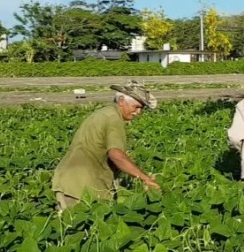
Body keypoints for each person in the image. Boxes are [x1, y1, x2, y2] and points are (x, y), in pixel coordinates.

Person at [51, 80, 161, 211]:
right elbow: (115, 154)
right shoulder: (113, 118)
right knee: (74, 225)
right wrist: (145, 179)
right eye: (136, 107)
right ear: (121, 101)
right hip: (80, 188)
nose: (138, 112)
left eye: (141, 108)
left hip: (71, 182)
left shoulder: (105, 113)